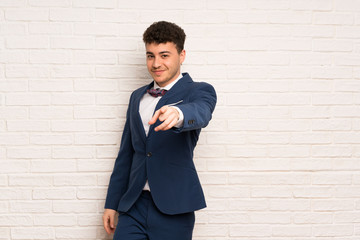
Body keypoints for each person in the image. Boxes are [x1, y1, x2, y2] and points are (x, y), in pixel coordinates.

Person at [102, 21, 217, 240]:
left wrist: (179, 114)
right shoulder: (137, 96)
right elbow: (126, 154)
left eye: (164, 55)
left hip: (174, 208)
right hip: (132, 205)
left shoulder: (198, 91)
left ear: (181, 55)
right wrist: (111, 203)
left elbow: (202, 111)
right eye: (150, 55)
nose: (156, 63)